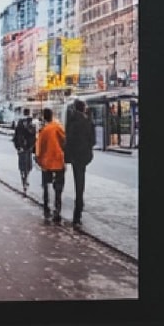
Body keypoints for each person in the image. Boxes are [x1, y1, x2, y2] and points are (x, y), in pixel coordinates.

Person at [63, 96, 95, 227]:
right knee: (80, 183)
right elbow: (93, 141)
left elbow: (68, 140)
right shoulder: (88, 122)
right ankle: (78, 210)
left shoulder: (71, 122)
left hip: (74, 156)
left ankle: (77, 211)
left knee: (78, 181)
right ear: (83, 108)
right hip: (84, 156)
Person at [34, 106, 66, 224]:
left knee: (46, 186)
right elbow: (65, 141)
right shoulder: (58, 127)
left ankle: (46, 207)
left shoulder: (43, 131)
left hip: (46, 163)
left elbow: (39, 148)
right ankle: (57, 210)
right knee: (58, 188)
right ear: (52, 116)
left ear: (44, 117)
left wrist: (38, 159)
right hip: (58, 161)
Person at [12, 107, 36, 196]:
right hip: (28, 148)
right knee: (27, 166)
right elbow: (33, 137)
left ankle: (24, 179)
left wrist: (18, 147)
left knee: (23, 166)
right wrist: (32, 147)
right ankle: (25, 179)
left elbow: (16, 136)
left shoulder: (20, 123)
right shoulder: (31, 123)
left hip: (22, 148)